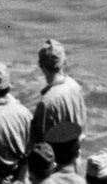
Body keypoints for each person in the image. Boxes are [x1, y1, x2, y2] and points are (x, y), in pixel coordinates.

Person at [31, 40, 86, 177]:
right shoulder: (76, 87)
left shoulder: (47, 102)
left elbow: (41, 146)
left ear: (41, 66)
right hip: (76, 164)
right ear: (65, 62)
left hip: (56, 171)